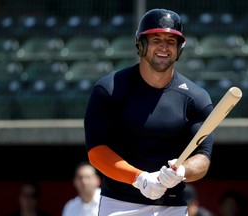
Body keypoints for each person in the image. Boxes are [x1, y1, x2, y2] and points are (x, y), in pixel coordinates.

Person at [84, 8, 214, 216]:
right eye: (156, 39)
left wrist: (182, 172)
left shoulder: (196, 98)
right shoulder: (110, 89)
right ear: (141, 44)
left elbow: (203, 158)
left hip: (172, 207)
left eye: (171, 41)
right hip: (119, 205)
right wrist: (139, 179)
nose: (164, 47)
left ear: (179, 48)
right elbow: (96, 152)